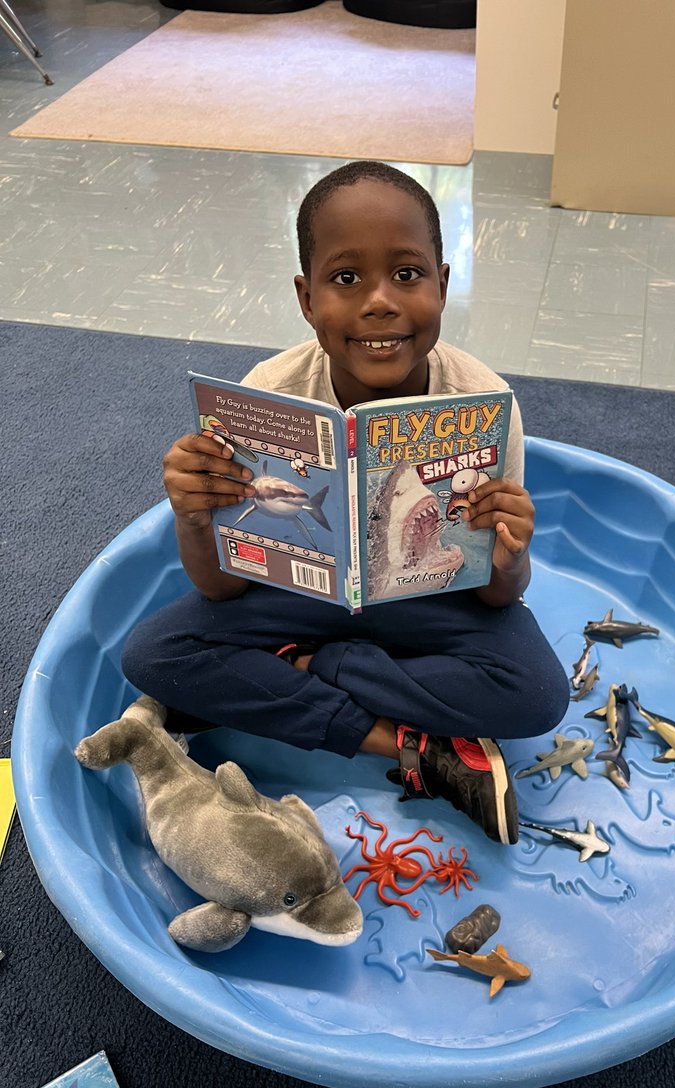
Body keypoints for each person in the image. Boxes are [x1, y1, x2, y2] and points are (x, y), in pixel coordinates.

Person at [121, 160, 569, 846]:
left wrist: (511, 554)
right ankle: (408, 746)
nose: (380, 302)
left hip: (429, 601)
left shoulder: (485, 403)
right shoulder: (269, 391)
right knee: (157, 653)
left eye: (408, 274)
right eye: (346, 278)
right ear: (307, 298)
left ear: (443, 286)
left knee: (538, 693)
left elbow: (498, 597)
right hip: (303, 595)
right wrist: (193, 516)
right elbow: (219, 585)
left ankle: (307, 671)